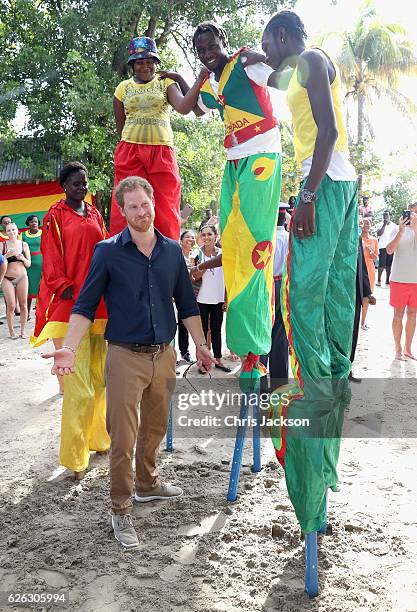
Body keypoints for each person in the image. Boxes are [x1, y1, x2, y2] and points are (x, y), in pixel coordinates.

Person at [43, 176, 215, 549]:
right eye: (133, 206)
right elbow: (85, 305)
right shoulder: (107, 252)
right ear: (122, 212)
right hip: (123, 356)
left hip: (164, 355)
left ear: (154, 203)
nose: (141, 211)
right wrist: (69, 347)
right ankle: (120, 510)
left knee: (155, 427)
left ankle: (147, 485)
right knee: (122, 438)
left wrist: (201, 345)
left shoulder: (172, 252)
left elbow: (187, 305)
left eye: (145, 203)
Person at [244, 10, 358, 535]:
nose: (269, 50)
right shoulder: (303, 67)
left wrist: (306, 194)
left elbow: (328, 131)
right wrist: (249, 58)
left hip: (326, 186)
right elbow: (270, 73)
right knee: (332, 310)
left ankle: (312, 397)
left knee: (299, 304)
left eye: (270, 42)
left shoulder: (310, 59)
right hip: (344, 187)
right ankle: (328, 390)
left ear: (285, 36)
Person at [171, 21, 282, 387]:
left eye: (211, 45)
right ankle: (244, 347)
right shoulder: (210, 80)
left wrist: (267, 53)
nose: (207, 53)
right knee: (232, 245)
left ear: (224, 41)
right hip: (234, 160)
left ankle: (255, 351)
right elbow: (193, 109)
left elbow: (282, 77)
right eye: (200, 50)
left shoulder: (247, 64)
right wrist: (179, 79)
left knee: (255, 246)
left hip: (262, 154)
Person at [31, 161, 110, 479]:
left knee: (100, 379)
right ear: (64, 185)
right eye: (76, 183)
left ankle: (98, 439)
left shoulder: (94, 214)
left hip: (100, 306)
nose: (82, 188)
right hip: (72, 306)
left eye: (85, 183)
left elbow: (106, 249)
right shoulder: (55, 216)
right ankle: (75, 458)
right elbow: (50, 259)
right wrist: (66, 289)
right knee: (78, 385)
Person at [111, 36, 202, 239]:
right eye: (141, 62)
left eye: (150, 61)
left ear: (156, 63)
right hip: (130, 150)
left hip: (162, 152)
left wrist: (179, 77)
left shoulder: (166, 82)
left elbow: (185, 107)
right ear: (133, 64)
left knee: (166, 204)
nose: (146, 66)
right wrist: (134, 143)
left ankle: (168, 254)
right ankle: (122, 254)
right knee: (127, 201)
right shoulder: (122, 88)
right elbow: (120, 127)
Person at [192, 224, 230, 374]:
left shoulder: (223, 254)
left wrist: (226, 299)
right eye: (204, 235)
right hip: (202, 298)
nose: (206, 237)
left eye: (209, 234)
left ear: (215, 236)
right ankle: (203, 360)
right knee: (201, 331)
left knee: (216, 329)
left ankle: (218, 358)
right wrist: (207, 263)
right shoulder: (198, 254)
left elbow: (227, 277)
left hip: (218, 298)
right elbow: (195, 276)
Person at [260, 203, 289, 391]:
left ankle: (260, 383)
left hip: (265, 286)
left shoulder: (265, 237)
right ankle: (280, 385)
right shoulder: (289, 238)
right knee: (280, 336)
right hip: (284, 287)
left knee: (262, 334)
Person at [386, 211, 417, 360]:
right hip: (398, 279)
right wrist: (401, 231)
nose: (411, 216)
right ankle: (397, 348)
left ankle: (408, 349)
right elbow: (389, 250)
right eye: (410, 213)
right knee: (398, 315)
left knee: (412, 315)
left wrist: (416, 229)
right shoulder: (396, 229)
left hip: (415, 281)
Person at [350, 238, 376, 382]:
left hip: (355, 294)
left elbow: (362, 268)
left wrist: (367, 292)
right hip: (336, 296)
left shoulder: (357, 238)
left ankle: (348, 369)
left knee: (353, 333)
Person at [1, 222, 31, 338]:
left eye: (13, 229)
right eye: (9, 230)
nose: (11, 232)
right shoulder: (2, 245)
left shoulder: (24, 245)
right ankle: (11, 331)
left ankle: (23, 331)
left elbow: (28, 264)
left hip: (22, 277)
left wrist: (22, 258)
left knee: (23, 305)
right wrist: (6, 256)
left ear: (18, 231)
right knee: (11, 306)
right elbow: (0, 261)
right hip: (7, 278)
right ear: (6, 233)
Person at [178, 230, 196, 363]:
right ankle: (183, 352)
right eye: (187, 237)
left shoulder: (196, 255)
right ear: (181, 240)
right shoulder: (176, 254)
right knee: (181, 324)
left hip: (194, 294)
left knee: (191, 323)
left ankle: (191, 352)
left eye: (192, 237)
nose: (190, 239)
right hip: (177, 294)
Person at [22, 215, 43, 318]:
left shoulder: (44, 233)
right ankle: (26, 314)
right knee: (28, 290)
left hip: (42, 264)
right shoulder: (22, 235)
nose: (34, 223)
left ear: (38, 223)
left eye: (35, 221)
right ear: (28, 223)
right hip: (28, 265)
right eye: (31, 221)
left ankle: (41, 314)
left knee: (42, 289)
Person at [360, 217, 378, 330]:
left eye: (368, 223)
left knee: (367, 297)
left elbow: (376, 258)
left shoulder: (374, 240)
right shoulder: (356, 238)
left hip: (369, 271)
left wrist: (371, 252)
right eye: (364, 223)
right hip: (359, 270)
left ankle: (363, 321)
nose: (366, 225)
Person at [376, 210, 398, 286]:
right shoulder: (379, 224)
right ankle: (378, 280)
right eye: (384, 215)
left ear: (389, 216)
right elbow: (379, 234)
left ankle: (387, 280)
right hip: (382, 247)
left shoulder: (394, 226)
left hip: (391, 247)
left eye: (387, 215)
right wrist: (384, 225)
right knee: (381, 265)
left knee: (389, 265)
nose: (385, 217)